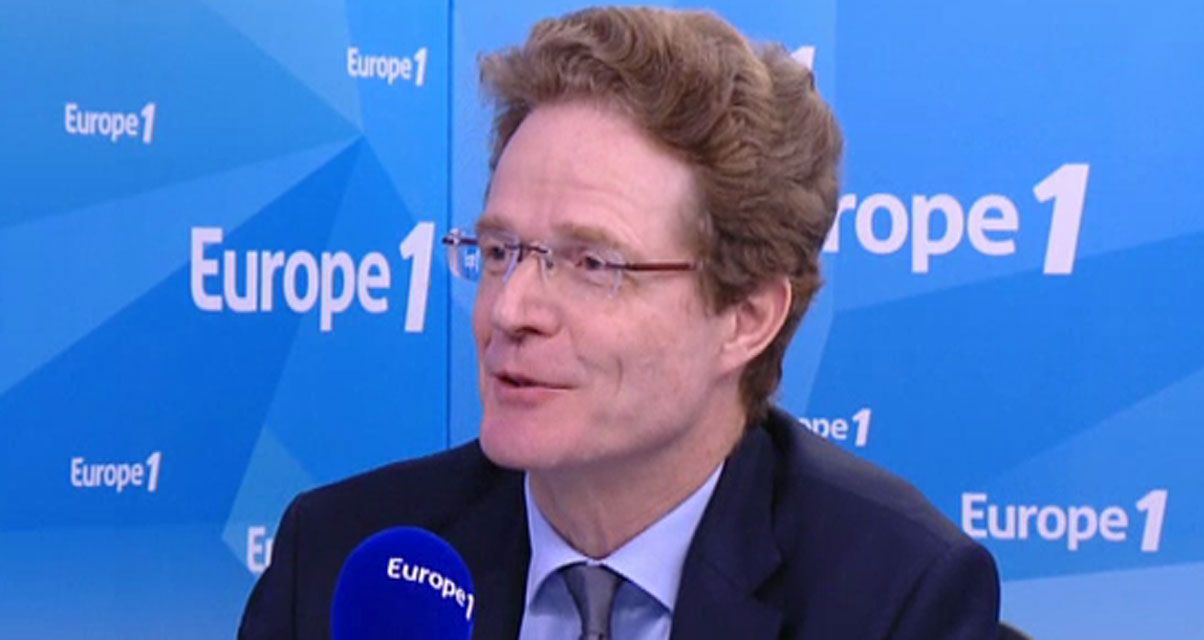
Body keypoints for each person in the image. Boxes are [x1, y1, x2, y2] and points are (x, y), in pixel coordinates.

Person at [239, 6, 1000, 639]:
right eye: (499, 251)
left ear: (746, 317)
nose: (509, 311)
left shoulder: (896, 598)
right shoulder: (341, 561)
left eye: (592, 263)